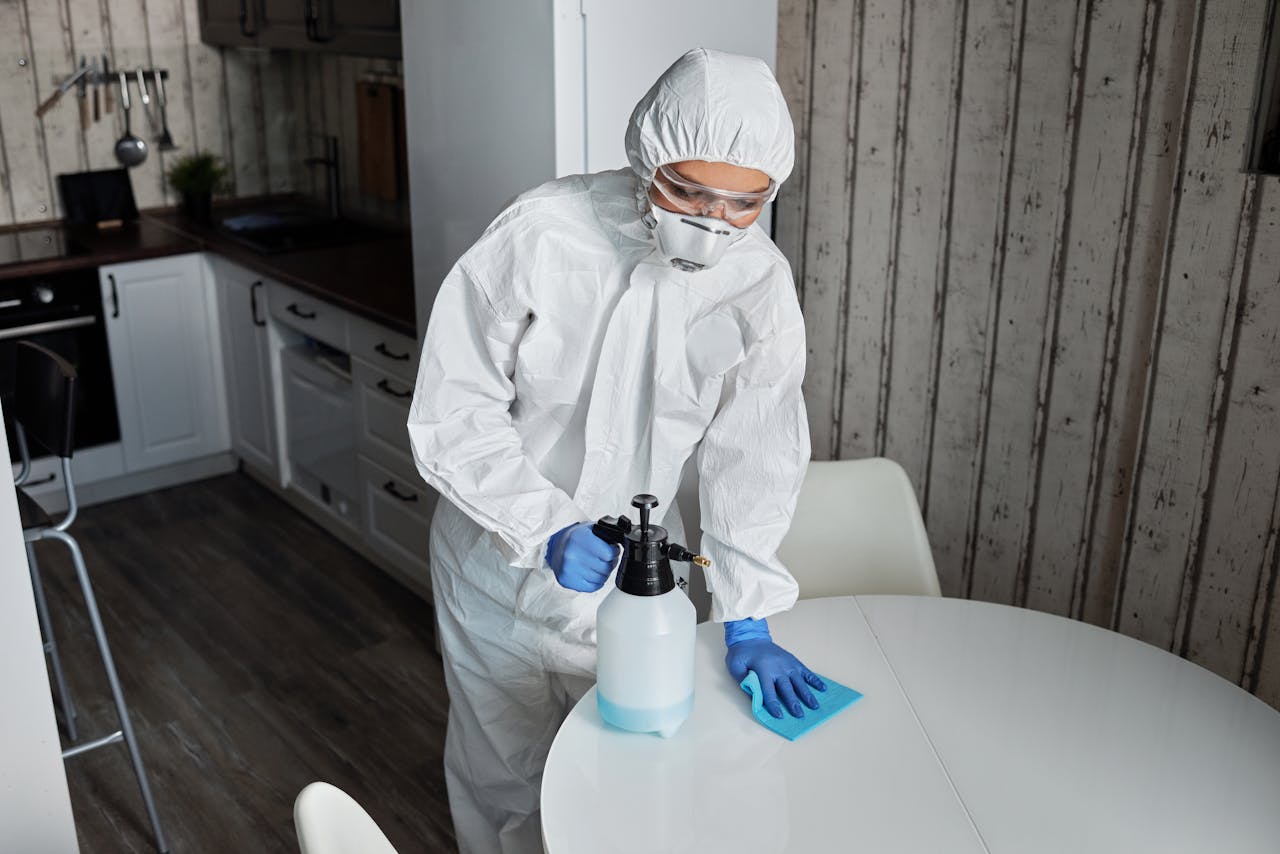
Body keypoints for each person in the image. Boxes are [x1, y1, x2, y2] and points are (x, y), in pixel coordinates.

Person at [408, 48, 823, 854]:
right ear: (647, 156)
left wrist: (747, 617)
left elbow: (755, 454)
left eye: (743, 204)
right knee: (503, 778)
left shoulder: (758, 285)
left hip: (633, 602)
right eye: (689, 192)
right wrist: (541, 525)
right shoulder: (540, 233)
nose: (712, 222)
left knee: (633, 780)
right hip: (495, 572)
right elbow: (453, 409)